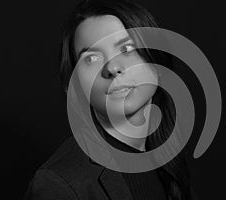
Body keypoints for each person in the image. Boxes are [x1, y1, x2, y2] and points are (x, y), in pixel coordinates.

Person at [24, 0, 196, 199]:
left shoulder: (167, 157)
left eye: (126, 49)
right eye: (92, 58)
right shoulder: (59, 184)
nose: (112, 67)